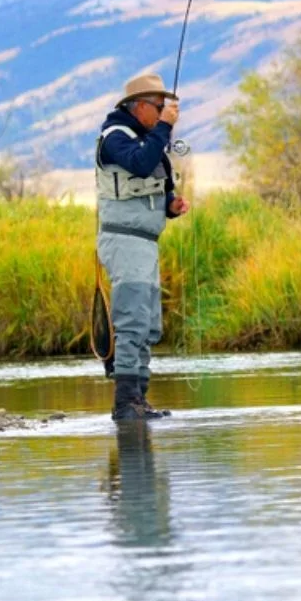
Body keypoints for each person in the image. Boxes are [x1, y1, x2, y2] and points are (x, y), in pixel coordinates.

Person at [96, 72, 189, 420]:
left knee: (148, 325)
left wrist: (171, 206)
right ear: (138, 106)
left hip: (145, 244)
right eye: (158, 106)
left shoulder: (145, 139)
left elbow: (156, 183)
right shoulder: (115, 138)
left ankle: (140, 399)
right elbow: (139, 162)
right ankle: (125, 403)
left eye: (165, 107)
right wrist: (165, 128)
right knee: (132, 321)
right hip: (124, 241)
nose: (164, 112)